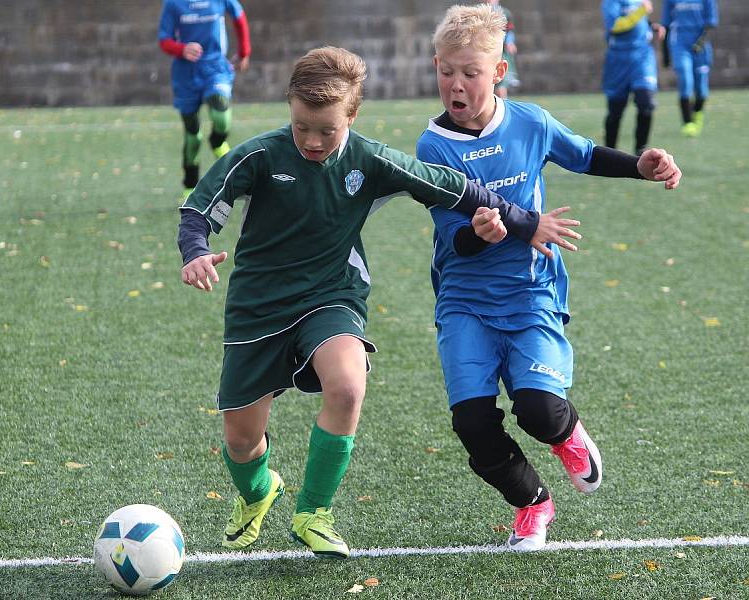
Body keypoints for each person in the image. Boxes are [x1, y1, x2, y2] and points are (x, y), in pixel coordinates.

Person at [177, 46, 581, 558]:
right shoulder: (260, 155)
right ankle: (260, 492)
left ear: (352, 115)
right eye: (302, 127)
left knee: (347, 383)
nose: (313, 140)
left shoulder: (369, 159)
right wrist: (194, 252)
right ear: (290, 110)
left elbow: (456, 188)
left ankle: (314, 513)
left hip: (331, 296)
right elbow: (199, 209)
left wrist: (525, 223)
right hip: (257, 307)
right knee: (240, 440)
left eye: (327, 129)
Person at [416, 4, 682, 552]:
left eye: (470, 72)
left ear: (498, 73)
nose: (456, 85)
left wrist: (640, 165)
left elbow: (583, 155)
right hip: (464, 302)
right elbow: (454, 240)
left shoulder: (531, 123)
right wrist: (484, 233)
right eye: (447, 71)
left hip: (532, 292)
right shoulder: (433, 148)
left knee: (539, 410)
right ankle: (532, 505)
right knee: (473, 425)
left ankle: (567, 435)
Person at [158, 0, 252, 198]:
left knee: (221, 116)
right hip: (186, 75)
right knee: (193, 137)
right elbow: (164, 40)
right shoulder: (173, 3)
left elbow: (239, 17)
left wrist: (244, 52)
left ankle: (218, 142)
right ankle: (190, 186)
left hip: (215, 69)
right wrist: (181, 49)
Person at [601, 0, 664, 155]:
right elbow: (615, 26)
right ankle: (609, 153)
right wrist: (641, 12)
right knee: (615, 110)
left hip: (642, 57)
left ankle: (640, 152)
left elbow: (638, 20)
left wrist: (650, 26)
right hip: (619, 60)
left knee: (646, 102)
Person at [661, 0, 719, 137]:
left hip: (700, 45)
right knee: (685, 79)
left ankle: (697, 114)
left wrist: (700, 42)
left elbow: (711, 23)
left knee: (701, 90)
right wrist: (665, 54)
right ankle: (687, 122)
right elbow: (666, 25)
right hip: (680, 43)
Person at [484, 0, 520, 99]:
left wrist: (510, 42)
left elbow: (510, 30)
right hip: (484, 50)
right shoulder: (478, 11)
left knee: (500, 81)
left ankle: (510, 79)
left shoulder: (505, 13)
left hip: (499, 49)